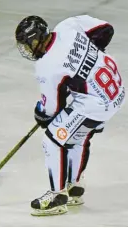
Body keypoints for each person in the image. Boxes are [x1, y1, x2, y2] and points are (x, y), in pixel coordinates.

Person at [15, 15, 124, 216]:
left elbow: (51, 110)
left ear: (36, 40)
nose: (27, 50)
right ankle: (74, 185)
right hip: (115, 90)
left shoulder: (47, 66)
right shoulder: (68, 26)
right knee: (78, 135)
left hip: (96, 103)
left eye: (27, 44)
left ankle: (57, 196)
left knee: (52, 140)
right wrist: (88, 62)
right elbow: (105, 29)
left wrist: (40, 112)